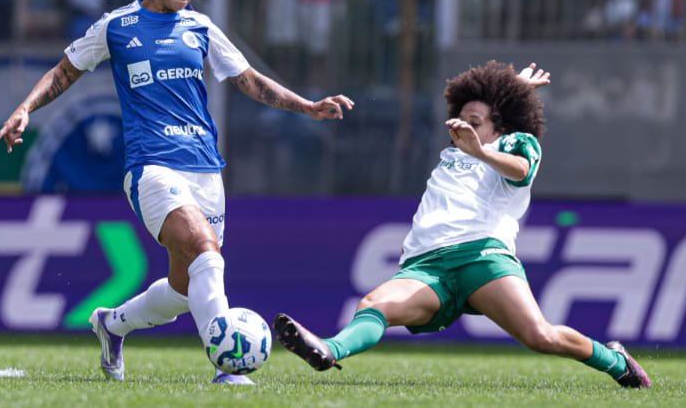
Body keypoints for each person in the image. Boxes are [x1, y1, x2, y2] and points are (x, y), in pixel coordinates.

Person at [0, 0, 354, 385]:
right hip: (151, 165)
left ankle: (112, 324)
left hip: (205, 167)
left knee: (187, 288)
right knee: (204, 248)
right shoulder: (117, 27)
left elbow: (249, 80)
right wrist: (26, 108)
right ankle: (228, 367)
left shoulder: (201, 28)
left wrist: (306, 106)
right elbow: (64, 71)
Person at [273, 61, 652, 390]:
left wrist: (484, 146)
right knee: (374, 304)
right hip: (425, 265)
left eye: (474, 122)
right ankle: (327, 349)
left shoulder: (514, 143)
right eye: (459, 119)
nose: (462, 127)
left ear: (497, 126)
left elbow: (521, 173)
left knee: (540, 336)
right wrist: (505, 98)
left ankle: (615, 361)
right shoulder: (454, 155)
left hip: (481, 255)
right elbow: (484, 119)